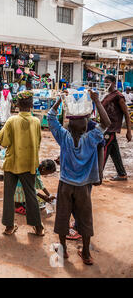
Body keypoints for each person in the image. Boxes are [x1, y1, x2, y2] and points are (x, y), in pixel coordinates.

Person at [48, 90, 111, 265]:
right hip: (83, 186)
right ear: (85, 127)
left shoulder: (64, 137)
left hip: (65, 184)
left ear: (69, 126)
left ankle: (63, 250)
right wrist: (97, 101)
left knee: (62, 216)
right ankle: (86, 253)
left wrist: (59, 100)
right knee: (85, 218)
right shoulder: (91, 138)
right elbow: (106, 122)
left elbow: (50, 117)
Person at [0, 91, 44, 236]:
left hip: (12, 163)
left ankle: (9, 227)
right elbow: (39, 141)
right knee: (31, 194)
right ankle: (38, 227)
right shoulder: (36, 121)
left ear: (16, 105)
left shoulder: (12, 121)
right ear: (31, 104)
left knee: (9, 195)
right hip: (29, 164)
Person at [101, 75, 131, 181]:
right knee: (114, 151)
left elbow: (126, 114)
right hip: (105, 127)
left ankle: (98, 175)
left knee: (103, 150)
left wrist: (128, 131)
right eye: (105, 82)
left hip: (111, 128)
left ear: (114, 83)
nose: (106, 84)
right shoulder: (106, 95)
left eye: (108, 82)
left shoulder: (118, 96)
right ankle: (122, 174)